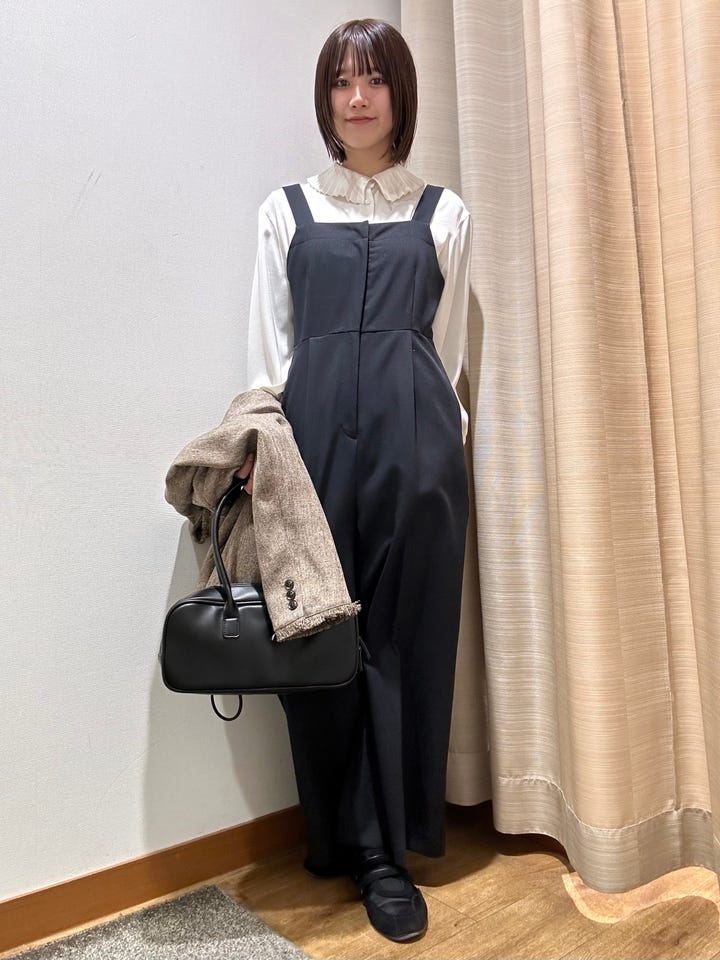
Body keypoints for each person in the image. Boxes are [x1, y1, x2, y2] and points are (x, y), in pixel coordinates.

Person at [236, 18, 472, 944]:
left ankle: (390, 854)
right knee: (321, 638)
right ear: (325, 98)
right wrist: (262, 444)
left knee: (407, 642)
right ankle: (336, 837)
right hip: (312, 441)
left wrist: (438, 436)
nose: (357, 98)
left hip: (418, 446)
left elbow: (445, 350)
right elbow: (270, 345)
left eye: (374, 79)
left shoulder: (445, 213)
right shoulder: (286, 210)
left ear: (399, 94)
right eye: (341, 81)